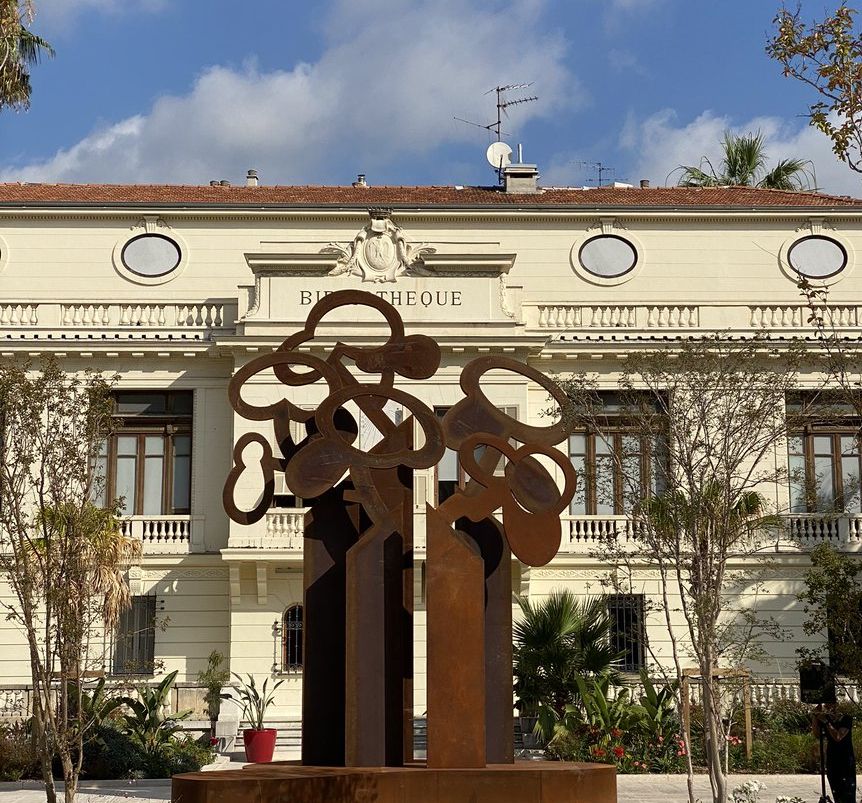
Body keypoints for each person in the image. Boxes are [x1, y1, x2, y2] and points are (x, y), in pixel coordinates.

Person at [814, 704, 856, 803]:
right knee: (837, 792)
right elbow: (817, 734)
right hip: (832, 760)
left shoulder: (846, 719)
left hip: (846, 761)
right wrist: (815, 717)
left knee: (847, 794)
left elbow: (838, 737)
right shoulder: (827, 718)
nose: (830, 707)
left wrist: (826, 722)